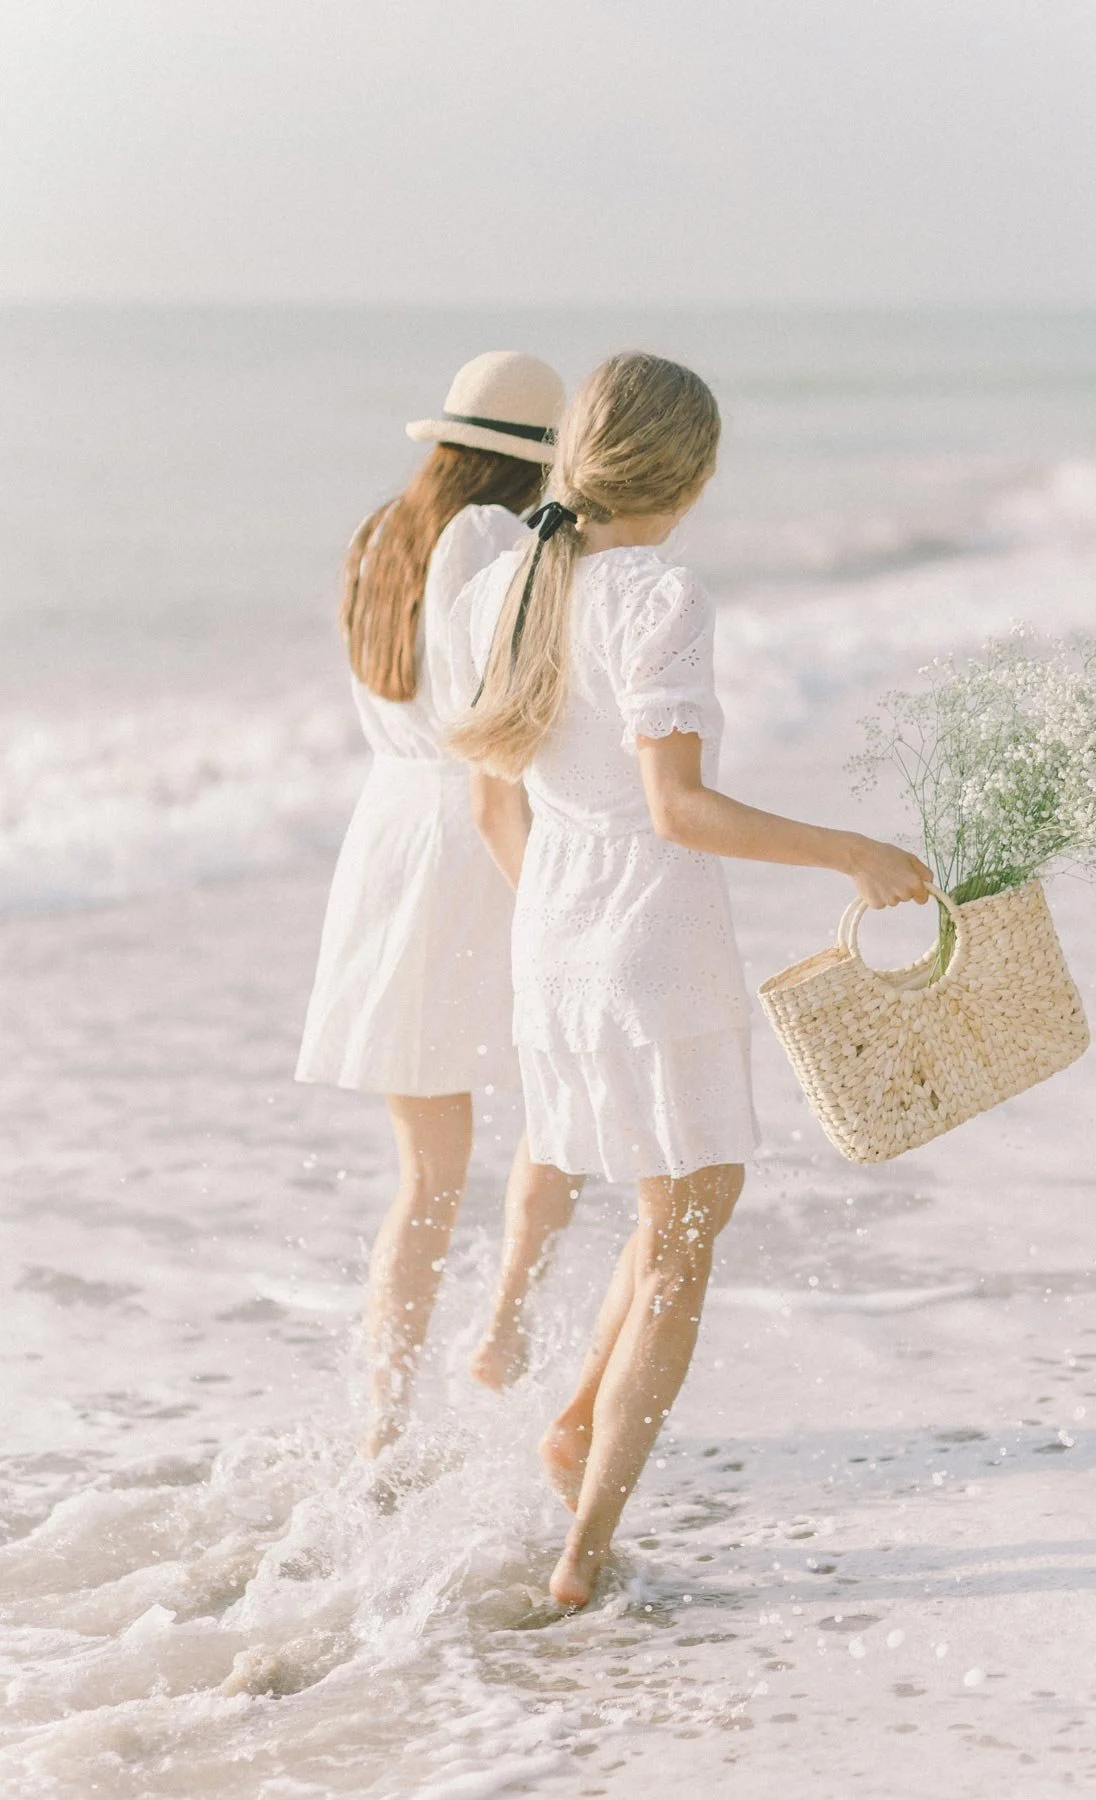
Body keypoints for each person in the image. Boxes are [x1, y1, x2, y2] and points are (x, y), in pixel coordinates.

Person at [446, 352, 930, 1604]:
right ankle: (583, 1555)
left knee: (665, 1211)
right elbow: (678, 808)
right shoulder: (658, 592)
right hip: (650, 934)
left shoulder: (505, 583)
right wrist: (854, 852)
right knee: (685, 1234)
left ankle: (571, 1427)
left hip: (553, 930)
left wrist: (558, 927)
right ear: (697, 473)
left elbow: (494, 795)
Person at [295, 351, 579, 1455]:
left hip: (390, 837)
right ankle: (504, 1324)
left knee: (424, 1173)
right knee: (560, 1089)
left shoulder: (380, 536)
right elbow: (499, 721)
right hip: (477, 827)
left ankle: (384, 1418)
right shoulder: (500, 544)